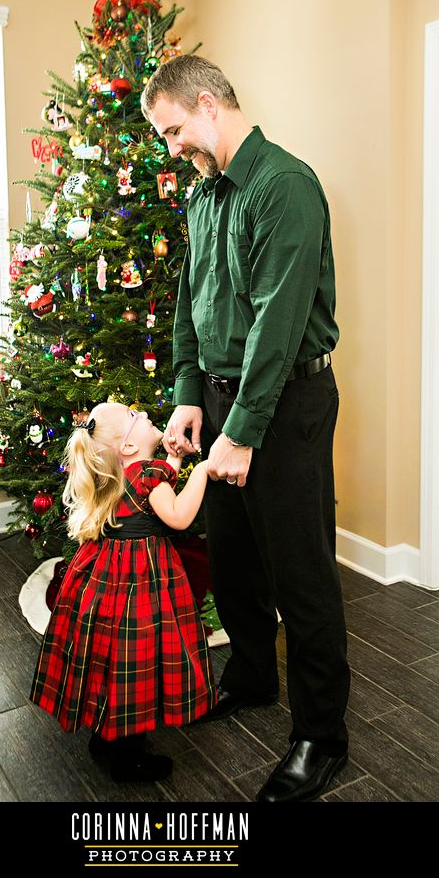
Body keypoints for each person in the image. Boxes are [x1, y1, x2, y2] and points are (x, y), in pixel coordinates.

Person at [141, 55, 351, 803]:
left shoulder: (282, 186)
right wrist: (188, 394)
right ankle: (252, 677)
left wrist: (242, 430)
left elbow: (277, 323)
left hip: (285, 403)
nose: (170, 148)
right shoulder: (204, 197)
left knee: (300, 572)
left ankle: (321, 737)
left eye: (172, 130)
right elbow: (189, 302)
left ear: (206, 105)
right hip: (227, 402)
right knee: (230, 557)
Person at [30, 401, 216, 783]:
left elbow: (155, 494)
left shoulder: (117, 476)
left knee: (108, 659)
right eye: (134, 417)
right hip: (142, 580)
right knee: (136, 662)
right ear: (129, 446)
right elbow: (177, 515)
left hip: (103, 577)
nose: (143, 414)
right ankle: (130, 759)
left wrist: (172, 459)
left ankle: (105, 735)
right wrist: (204, 472)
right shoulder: (147, 477)